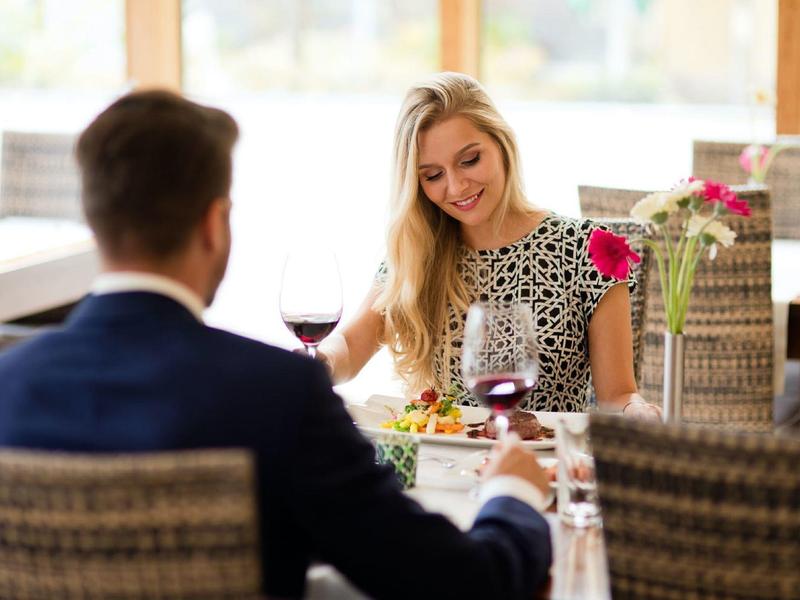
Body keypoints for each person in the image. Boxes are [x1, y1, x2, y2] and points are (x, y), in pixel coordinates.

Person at [0, 90, 553, 599]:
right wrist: (513, 496)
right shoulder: (280, 396)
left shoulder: (8, 385)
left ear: (94, 222)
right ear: (215, 224)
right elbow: (462, 583)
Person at [319, 72, 660, 420]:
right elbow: (350, 347)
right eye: (433, 175)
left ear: (501, 143)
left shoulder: (588, 248)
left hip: (543, 454)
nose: (456, 187)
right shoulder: (416, 253)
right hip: (439, 453)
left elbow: (617, 395)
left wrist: (637, 410)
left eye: (469, 160)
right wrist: (318, 359)